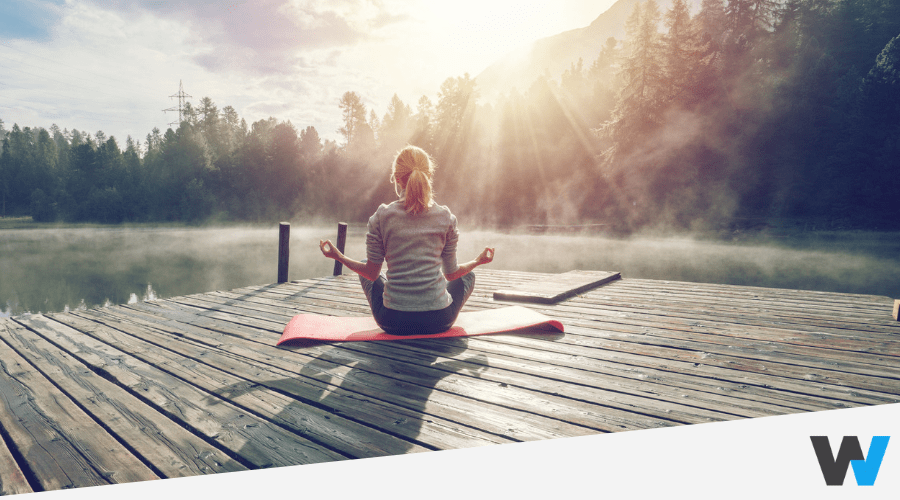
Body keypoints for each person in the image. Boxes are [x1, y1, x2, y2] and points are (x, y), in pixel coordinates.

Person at [319, 145, 494, 335]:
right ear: (428, 176)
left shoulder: (382, 216)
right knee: (467, 275)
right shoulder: (446, 217)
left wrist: (339, 257)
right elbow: (451, 274)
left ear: (397, 178)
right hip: (439, 320)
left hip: (392, 321)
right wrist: (478, 261)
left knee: (366, 267)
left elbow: (370, 273)